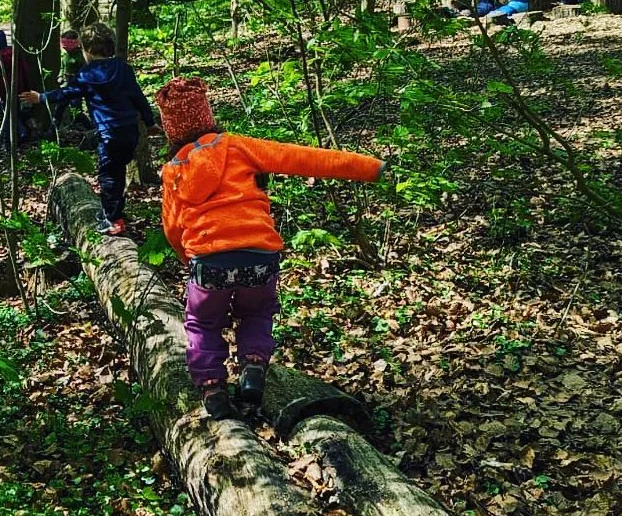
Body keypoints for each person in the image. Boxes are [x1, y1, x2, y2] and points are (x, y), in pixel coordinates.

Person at [154, 77, 385, 420]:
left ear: (171, 129)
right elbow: (302, 158)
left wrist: (188, 257)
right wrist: (371, 167)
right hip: (259, 256)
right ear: (207, 115)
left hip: (208, 261)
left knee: (202, 323)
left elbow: (172, 228)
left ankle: (213, 387)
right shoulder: (238, 146)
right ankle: (253, 369)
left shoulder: (173, 172)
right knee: (257, 312)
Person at [20, 22, 155, 236]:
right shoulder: (123, 68)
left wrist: (42, 97)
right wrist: (150, 122)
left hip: (109, 134)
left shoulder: (86, 74)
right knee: (117, 172)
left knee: (108, 175)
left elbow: (67, 93)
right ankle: (114, 212)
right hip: (130, 132)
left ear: (87, 50)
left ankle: (113, 221)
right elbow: (138, 97)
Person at [0, 29, 36, 149]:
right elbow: (26, 71)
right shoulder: (16, 54)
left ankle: (8, 144)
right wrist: (29, 88)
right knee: (19, 115)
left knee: (6, 118)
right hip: (22, 92)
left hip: (4, 95)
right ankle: (23, 137)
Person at [51, 29, 89, 132]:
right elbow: (62, 67)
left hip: (76, 86)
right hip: (65, 86)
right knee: (59, 109)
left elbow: (85, 71)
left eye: (68, 43)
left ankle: (89, 128)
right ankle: (52, 132)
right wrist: (60, 76)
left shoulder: (81, 55)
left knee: (76, 110)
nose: (65, 47)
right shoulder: (65, 56)